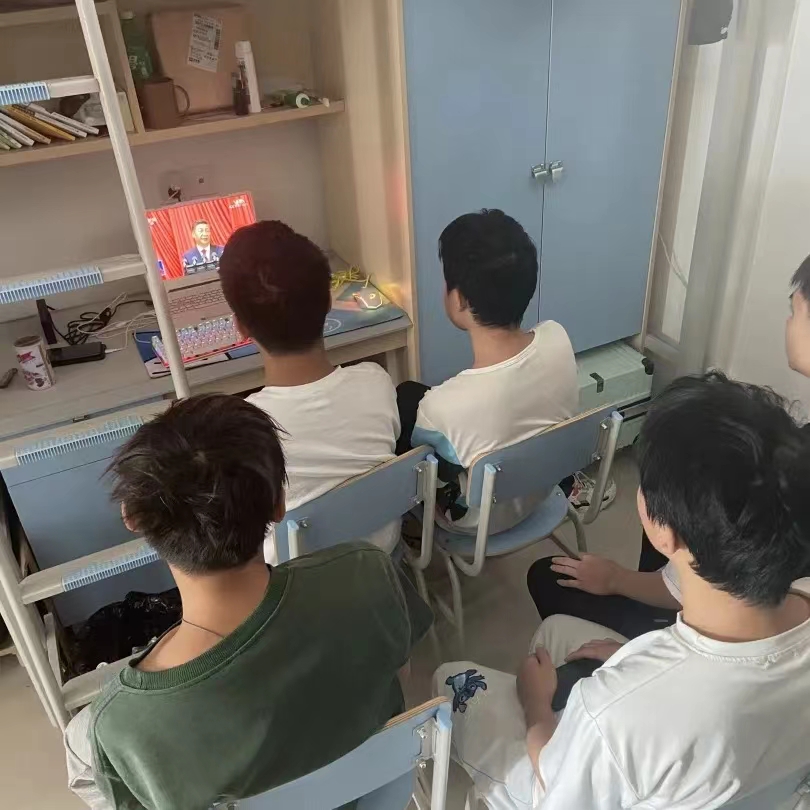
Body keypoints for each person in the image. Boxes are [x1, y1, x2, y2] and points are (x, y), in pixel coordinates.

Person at [436, 372, 810, 809]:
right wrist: (630, 661)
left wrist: (537, 707)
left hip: (569, 778)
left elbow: (557, 782)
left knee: (451, 678)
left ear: (665, 533)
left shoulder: (616, 715)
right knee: (556, 631)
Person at [65, 394, 432, 810]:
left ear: (132, 518)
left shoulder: (123, 725)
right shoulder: (365, 569)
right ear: (278, 504)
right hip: (375, 794)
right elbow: (400, 672)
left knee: (78, 743)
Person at [527, 251, 810, 636]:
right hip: (740, 600)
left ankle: (646, 621)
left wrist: (616, 581)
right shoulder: (790, 448)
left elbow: (710, 581)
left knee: (545, 577)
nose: (789, 321)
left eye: (795, 310)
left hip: (706, 612)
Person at [219, 220, 401, 563]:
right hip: (382, 552)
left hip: (297, 580)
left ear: (240, 327)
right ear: (329, 301)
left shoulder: (242, 432)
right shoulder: (376, 381)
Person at [402, 209, 578, 534]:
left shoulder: (441, 407)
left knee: (406, 403)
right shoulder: (558, 337)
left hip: (478, 523)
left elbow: (423, 470)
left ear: (460, 299)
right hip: (543, 491)